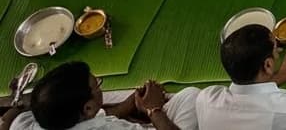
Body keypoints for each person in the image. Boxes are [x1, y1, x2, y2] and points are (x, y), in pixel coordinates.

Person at [1, 61, 176, 130]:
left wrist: (128, 105)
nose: (99, 87)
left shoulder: (25, 125)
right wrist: (153, 109)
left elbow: (7, 122)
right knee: (192, 98)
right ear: (88, 108)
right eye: (97, 86)